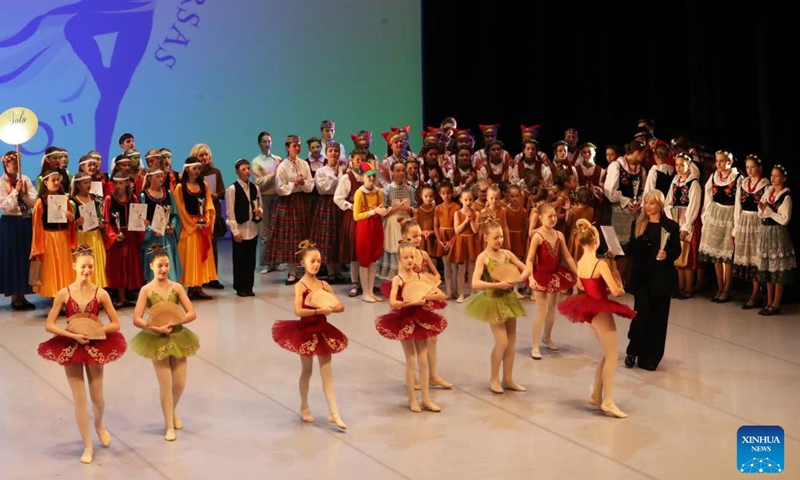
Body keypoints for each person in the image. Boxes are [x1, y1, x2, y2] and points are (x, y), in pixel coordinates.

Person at [37, 245, 126, 463]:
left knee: (97, 398)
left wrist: (96, 331)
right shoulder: (63, 293)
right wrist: (73, 335)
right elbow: (49, 324)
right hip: (71, 346)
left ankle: (99, 424)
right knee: (80, 400)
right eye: (83, 266)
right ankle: (87, 445)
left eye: (90, 267)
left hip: (95, 345)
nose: (87, 270)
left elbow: (116, 324)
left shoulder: (101, 293)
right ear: (74, 266)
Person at [558, 220, 635, 418]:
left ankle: (595, 395)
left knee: (607, 353)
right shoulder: (600, 264)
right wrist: (617, 277)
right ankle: (608, 401)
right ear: (596, 240)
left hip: (588, 311)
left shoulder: (581, 262)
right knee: (612, 356)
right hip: (600, 310)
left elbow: (583, 287)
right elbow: (617, 292)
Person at [271, 241, 348, 428]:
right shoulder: (300, 286)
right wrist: (317, 311)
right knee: (307, 371)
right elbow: (298, 310)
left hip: (323, 332)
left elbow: (340, 306)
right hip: (305, 332)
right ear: (303, 263)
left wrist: (330, 308)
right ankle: (304, 406)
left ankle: (334, 412)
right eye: (313, 261)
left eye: (319, 261)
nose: (316, 264)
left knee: (327, 373)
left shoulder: (323, 284)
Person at [131, 245, 199, 441]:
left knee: (179, 383)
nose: (164, 269)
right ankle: (169, 425)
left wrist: (179, 320)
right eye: (160, 265)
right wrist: (154, 328)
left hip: (178, 336)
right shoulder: (146, 290)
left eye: (167, 265)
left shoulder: (176, 288)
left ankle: (171, 411)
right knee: (165, 384)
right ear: (151, 266)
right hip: (157, 339)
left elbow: (191, 312)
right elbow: (137, 318)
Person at [377, 241, 447, 411]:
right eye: (406, 257)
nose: (410, 260)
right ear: (399, 259)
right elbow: (393, 302)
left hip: (421, 319)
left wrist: (428, 295)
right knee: (411, 359)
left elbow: (441, 294)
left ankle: (426, 399)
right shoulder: (398, 279)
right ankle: (412, 399)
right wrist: (412, 301)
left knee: (423, 359)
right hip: (405, 320)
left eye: (412, 257)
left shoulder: (420, 277)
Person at [465, 218, 530, 393]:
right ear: (486, 238)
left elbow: (526, 268)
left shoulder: (507, 254)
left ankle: (508, 379)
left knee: (511, 341)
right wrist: (497, 285)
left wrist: (517, 279)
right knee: (502, 341)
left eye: (501, 236)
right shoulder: (483, 257)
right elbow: (475, 283)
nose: (499, 240)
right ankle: (494, 379)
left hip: (508, 299)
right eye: (495, 237)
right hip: (492, 301)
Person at [618, 190, 681, 371]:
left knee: (658, 320)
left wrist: (667, 254)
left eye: (652, 203)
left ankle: (651, 357)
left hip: (661, 280)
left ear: (659, 205)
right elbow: (631, 247)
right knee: (641, 316)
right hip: (643, 279)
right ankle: (633, 351)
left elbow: (677, 251)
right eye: (647, 203)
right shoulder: (638, 224)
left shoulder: (670, 227)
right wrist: (615, 250)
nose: (648, 207)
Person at [526, 203, 578, 359]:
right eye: (550, 216)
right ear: (541, 218)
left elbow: (567, 257)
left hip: (555, 275)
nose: (554, 218)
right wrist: (530, 277)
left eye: (555, 215)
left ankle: (547, 337)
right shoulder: (537, 236)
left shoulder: (559, 235)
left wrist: (578, 273)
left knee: (552, 309)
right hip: (541, 275)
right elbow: (529, 260)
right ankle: (535, 345)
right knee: (541, 311)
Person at [267, 135, 314, 285]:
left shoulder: (304, 164)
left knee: (304, 237)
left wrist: (302, 183)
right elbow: (280, 189)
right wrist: (294, 184)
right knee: (291, 239)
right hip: (288, 204)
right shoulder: (283, 167)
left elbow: (311, 185)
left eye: (299, 145)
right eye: (295, 146)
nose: (298, 148)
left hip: (302, 202)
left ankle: (308, 271)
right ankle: (292, 272)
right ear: (288, 147)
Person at [698, 150, 740, 302]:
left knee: (726, 255)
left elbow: (738, 203)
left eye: (722, 161)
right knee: (716, 254)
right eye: (717, 161)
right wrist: (706, 216)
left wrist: (736, 225)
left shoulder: (737, 178)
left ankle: (727, 289)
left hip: (729, 215)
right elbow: (708, 196)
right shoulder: (714, 176)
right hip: (716, 214)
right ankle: (720, 287)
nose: (719, 164)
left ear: (730, 162)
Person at [174, 157, 217, 299]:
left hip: (202, 226)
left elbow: (209, 204)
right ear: (187, 169)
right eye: (194, 168)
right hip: (190, 227)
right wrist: (193, 225)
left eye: (199, 168)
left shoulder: (204, 185)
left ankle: (199, 287)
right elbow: (180, 209)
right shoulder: (180, 187)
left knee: (201, 257)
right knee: (190, 257)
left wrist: (207, 220)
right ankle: (191, 287)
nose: (197, 171)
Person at [31, 170, 77, 300]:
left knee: (64, 267)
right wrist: (37, 246)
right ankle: (55, 299)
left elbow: (71, 220)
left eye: (58, 180)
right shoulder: (40, 202)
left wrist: (71, 218)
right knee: (52, 269)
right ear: (45, 182)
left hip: (63, 237)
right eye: (53, 180)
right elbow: (36, 225)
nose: (57, 182)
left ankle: (64, 297)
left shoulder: (64, 199)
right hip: (48, 238)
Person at [756, 165, 795, 315]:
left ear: (783, 178)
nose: (773, 178)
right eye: (772, 175)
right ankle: (769, 300)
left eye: (777, 176)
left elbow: (784, 220)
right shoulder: (768, 192)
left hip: (778, 233)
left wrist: (770, 212)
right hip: (766, 231)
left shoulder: (786, 197)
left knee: (777, 269)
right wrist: (766, 211)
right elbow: (761, 212)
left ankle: (776, 303)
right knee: (767, 268)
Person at [0, 151, 37, 309]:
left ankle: (23, 294)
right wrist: (15, 191)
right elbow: (4, 205)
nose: (16, 166)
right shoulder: (2, 182)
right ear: (6, 165)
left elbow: (34, 200)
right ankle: (15, 296)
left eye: (18, 163)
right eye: (13, 163)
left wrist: (25, 193)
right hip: (10, 223)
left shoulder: (25, 179)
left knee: (25, 258)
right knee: (13, 258)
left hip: (26, 220)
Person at [103, 171, 145, 308]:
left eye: (121, 183)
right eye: (116, 183)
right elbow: (107, 220)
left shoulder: (133, 198)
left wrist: (141, 227)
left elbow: (138, 218)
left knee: (130, 266)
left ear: (127, 183)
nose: (118, 186)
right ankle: (121, 297)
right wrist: (114, 236)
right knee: (119, 267)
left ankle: (127, 296)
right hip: (117, 237)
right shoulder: (109, 199)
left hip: (130, 235)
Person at [733, 155, 769, 308]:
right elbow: (737, 207)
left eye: (752, 167)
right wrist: (736, 229)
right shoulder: (743, 183)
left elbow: (766, 208)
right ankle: (754, 291)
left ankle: (756, 293)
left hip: (757, 224)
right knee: (748, 258)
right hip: (744, 222)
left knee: (757, 258)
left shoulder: (765, 185)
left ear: (759, 168)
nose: (749, 170)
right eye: (747, 167)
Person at [664, 153, 702, 299]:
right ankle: (680, 286)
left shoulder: (693, 184)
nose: (679, 168)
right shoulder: (675, 182)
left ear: (688, 166)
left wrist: (686, 226)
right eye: (677, 165)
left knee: (688, 255)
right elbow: (668, 202)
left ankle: (688, 288)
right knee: (678, 255)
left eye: (682, 165)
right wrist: (670, 217)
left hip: (688, 221)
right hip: (676, 220)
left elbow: (694, 206)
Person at [225, 159, 262, 297]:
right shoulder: (232, 189)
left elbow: (260, 205)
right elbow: (230, 212)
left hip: (252, 229)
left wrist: (260, 212)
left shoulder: (255, 188)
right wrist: (235, 231)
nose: (247, 171)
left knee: (250, 260)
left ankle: (249, 286)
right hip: (240, 230)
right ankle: (240, 286)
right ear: (237, 172)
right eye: (243, 169)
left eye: (248, 169)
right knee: (239, 260)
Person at [191, 144, 225, 290]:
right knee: (200, 247)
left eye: (206, 155)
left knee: (213, 246)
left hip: (212, 213)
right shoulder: (194, 175)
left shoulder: (216, 172)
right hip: (198, 215)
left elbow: (222, 191)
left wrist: (215, 195)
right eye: (201, 155)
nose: (204, 158)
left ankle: (213, 277)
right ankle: (201, 277)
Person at [139, 167, 182, 283]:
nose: (160, 179)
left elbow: (174, 213)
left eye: (161, 176)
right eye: (157, 176)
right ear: (150, 178)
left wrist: (172, 225)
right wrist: (150, 229)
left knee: (168, 262)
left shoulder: (167, 193)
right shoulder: (143, 196)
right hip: (152, 238)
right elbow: (140, 219)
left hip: (167, 237)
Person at [334, 149, 367, 297]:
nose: (360, 162)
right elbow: (338, 198)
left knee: (365, 250)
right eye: (358, 159)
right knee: (354, 251)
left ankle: (367, 283)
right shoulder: (347, 178)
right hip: (353, 217)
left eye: (363, 160)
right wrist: (352, 206)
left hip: (367, 217)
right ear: (352, 160)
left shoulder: (368, 177)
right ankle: (355, 283)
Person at [251, 132, 283, 274]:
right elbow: (259, 183)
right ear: (259, 144)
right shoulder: (256, 162)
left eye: (269, 141)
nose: (267, 144)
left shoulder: (278, 159)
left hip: (277, 196)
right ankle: (265, 263)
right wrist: (273, 175)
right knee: (265, 233)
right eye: (264, 141)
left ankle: (275, 262)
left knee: (277, 230)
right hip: (264, 197)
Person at [70, 172, 108, 288]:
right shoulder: (73, 201)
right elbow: (70, 224)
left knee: (96, 263)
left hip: (95, 236)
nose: (88, 185)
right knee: (84, 264)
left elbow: (98, 216)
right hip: (83, 237)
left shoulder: (95, 199)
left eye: (89, 182)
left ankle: (97, 291)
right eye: (85, 183)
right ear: (77, 185)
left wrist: (101, 223)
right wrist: (76, 223)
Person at [449, 188, 480, 302]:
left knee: (471, 269)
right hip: (461, 242)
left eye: (470, 199)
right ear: (461, 200)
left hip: (472, 242)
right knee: (461, 269)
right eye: (465, 200)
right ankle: (461, 294)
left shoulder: (476, 213)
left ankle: (472, 293)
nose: (468, 202)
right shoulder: (457, 213)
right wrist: (465, 221)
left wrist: (471, 220)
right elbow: (457, 230)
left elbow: (476, 230)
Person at [433, 182, 459, 298]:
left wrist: (452, 240)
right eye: (443, 193)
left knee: (455, 267)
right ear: (440, 194)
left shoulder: (456, 207)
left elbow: (458, 227)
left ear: (452, 193)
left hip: (453, 236)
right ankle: (448, 291)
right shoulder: (437, 208)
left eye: (448, 193)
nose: (446, 195)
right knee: (446, 266)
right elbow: (435, 226)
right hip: (442, 238)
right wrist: (439, 240)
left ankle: (455, 290)